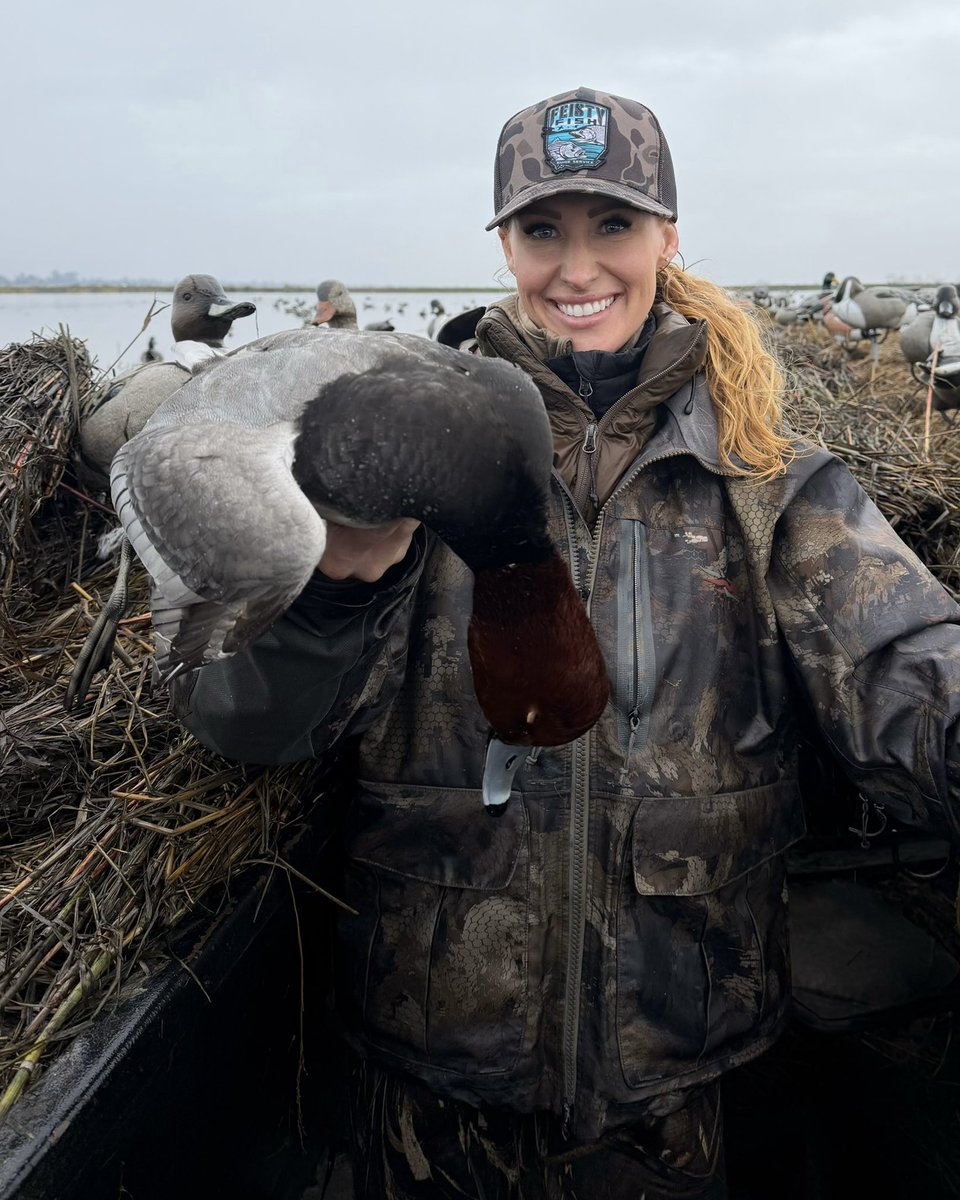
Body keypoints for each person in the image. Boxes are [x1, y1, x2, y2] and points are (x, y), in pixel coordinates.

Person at [172, 87, 960, 1198]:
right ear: (504, 244)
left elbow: (907, 670)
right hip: (429, 1089)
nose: (577, 267)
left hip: (673, 1090)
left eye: (614, 226)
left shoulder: (770, 484)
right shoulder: (399, 457)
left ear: (667, 236)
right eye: (543, 230)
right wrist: (333, 594)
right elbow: (249, 730)